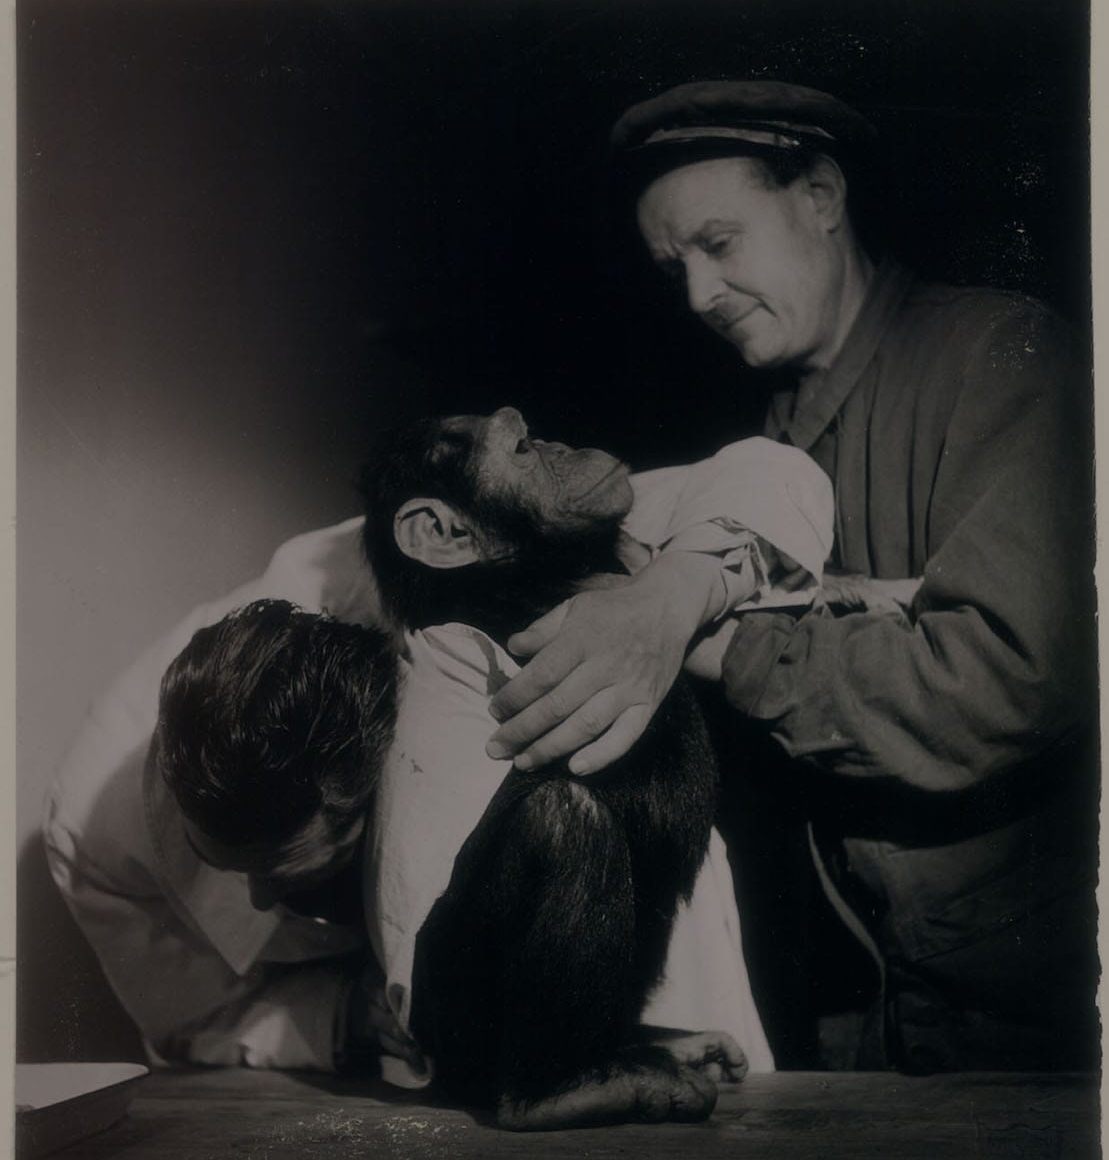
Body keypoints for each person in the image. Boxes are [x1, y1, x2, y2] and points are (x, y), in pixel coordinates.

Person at [482, 80, 1098, 1072]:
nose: (695, 294)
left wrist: (694, 629)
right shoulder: (765, 438)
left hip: (1029, 1031)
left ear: (819, 193)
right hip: (862, 1011)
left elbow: (1010, 679)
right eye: (671, 264)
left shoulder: (1001, 356)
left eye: (718, 242)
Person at [44, 420, 833, 1076]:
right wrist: (351, 1014)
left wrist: (673, 594)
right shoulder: (92, 833)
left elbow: (755, 478)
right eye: (245, 866)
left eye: (296, 866)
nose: (261, 901)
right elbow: (197, 1022)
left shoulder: (407, 569)